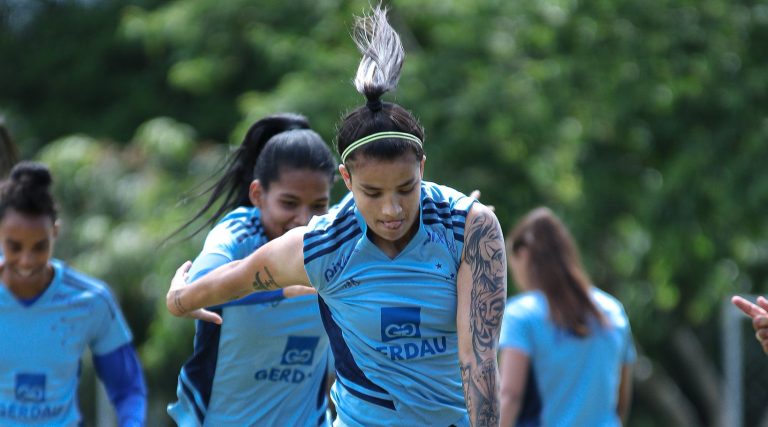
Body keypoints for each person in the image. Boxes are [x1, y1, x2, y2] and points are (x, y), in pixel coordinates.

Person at [165, 6, 506, 427]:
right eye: (372, 192)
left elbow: (478, 357)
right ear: (346, 179)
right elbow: (232, 278)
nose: (392, 209)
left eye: (406, 188)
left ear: (423, 168)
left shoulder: (470, 227)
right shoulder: (321, 246)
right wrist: (181, 299)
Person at [167, 113, 337, 426]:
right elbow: (201, 285)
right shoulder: (239, 233)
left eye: (318, 205)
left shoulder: (334, 236)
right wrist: (283, 285)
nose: (304, 219)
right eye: (289, 203)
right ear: (258, 194)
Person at [0, 161, 146, 426]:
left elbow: (127, 388)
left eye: (40, 246)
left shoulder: (90, 300)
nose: (26, 260)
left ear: (55, 231)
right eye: (15, 247)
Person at [498, 207, 635, 427]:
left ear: (522, 254)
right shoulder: (612, 311)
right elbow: (620, 402)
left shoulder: (522, 315)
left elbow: (510, 396)